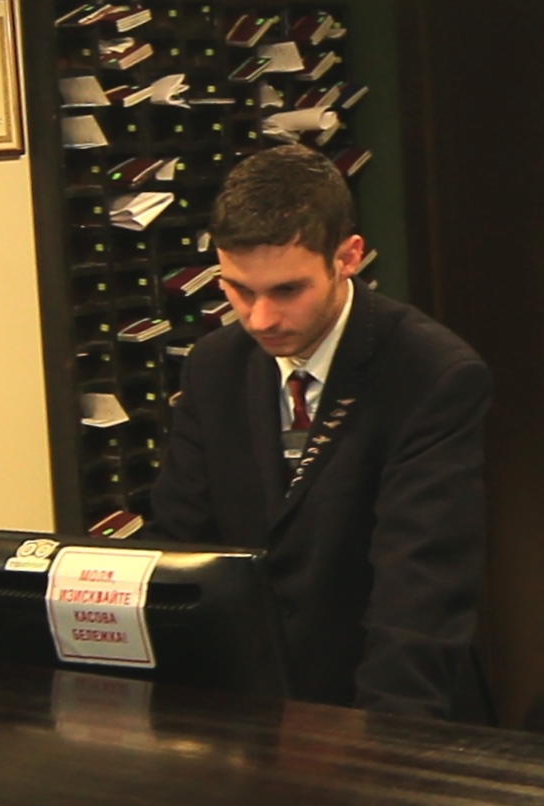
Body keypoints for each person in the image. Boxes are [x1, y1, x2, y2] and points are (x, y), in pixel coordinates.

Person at [145, 146, 493, 720]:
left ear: (348, 257)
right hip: (250, 708)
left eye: (287, 291)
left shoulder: (431, 373)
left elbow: (421, 584)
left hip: (384, 700)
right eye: (238, 290)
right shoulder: (215, 366)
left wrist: (382, 740)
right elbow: (178, 544)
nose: (260, 319)